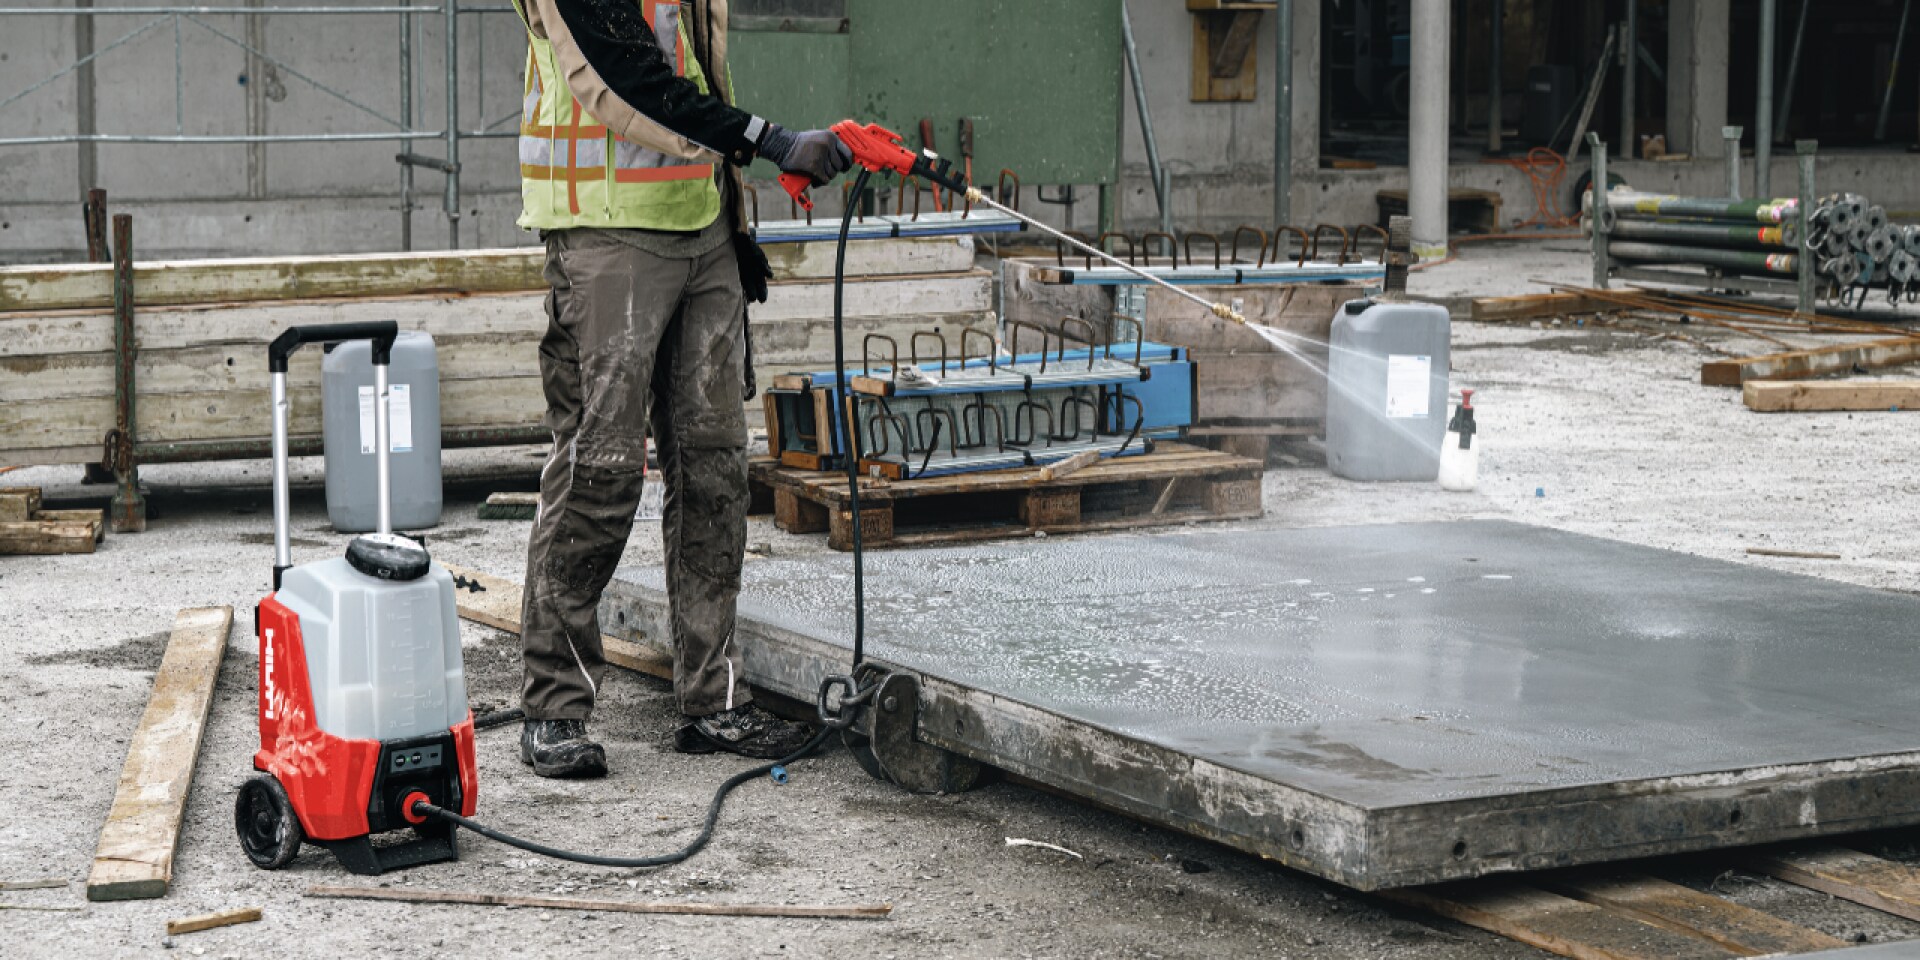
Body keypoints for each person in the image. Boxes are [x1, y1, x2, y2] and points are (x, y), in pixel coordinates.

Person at [506, 0, 852, 778]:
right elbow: (624, 79)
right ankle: (555, 706)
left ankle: (713, 700)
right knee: (597, 470)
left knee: (715, 470)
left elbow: (697, 79)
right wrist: (770, 139)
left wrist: (737, 206)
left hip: (703, 226)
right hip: (606, 229)